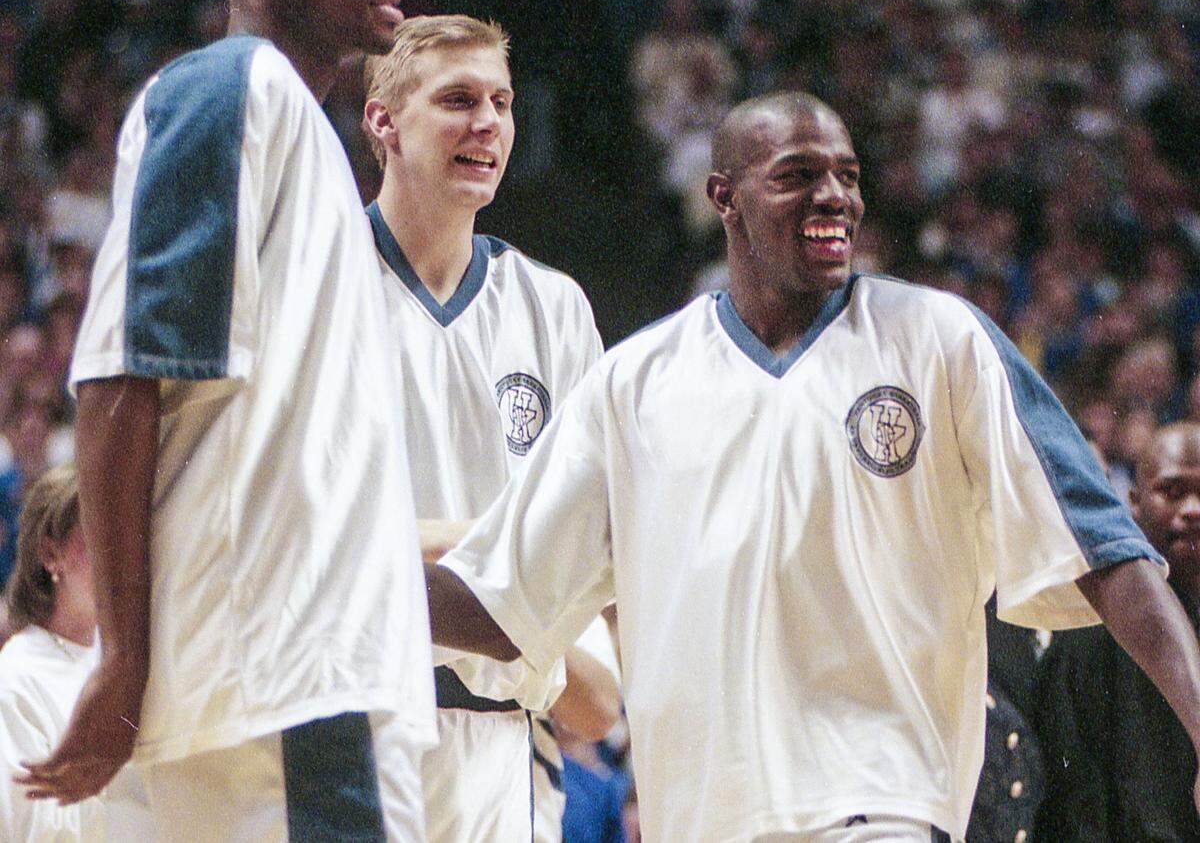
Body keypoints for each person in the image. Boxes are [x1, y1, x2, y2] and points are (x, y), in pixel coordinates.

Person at [424, 90, 1200, 842]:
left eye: (849, 176)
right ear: (724, 197)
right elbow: (495, 601)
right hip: (702, 818)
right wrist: (330, 571)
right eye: (798, 175)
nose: (835, 196)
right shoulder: (632, 385)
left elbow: (1108, 550)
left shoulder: (940, 340)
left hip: (882, 806)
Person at [18, 0, 437, 840]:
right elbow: (124, 375)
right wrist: (123, 658)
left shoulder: (302, 133)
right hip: (288, 695)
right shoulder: (234, 84)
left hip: (267, 685)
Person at [362, 14, 619, 841]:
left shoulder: (554, 308)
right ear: (384, 122)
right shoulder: (317, 283)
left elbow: (594, 568)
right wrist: (504, 560)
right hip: (348, 726)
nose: (487, 123)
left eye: (502, 103)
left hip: (507, 749)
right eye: (458, 99)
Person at [1034, 419, 1200, 841]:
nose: (1193, 508)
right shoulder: (1089, 629)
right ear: (1134, 503)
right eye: (1174, 490)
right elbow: (1072, 796)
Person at [0, 463, 100, 840]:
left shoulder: (122, 659)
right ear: (50, 553)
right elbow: (24, 829)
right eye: (97, 532)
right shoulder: (18, 678)